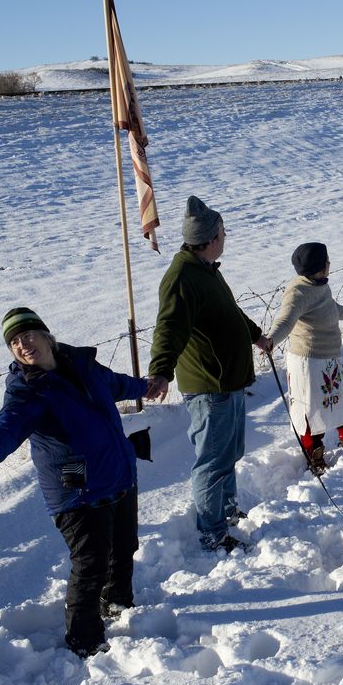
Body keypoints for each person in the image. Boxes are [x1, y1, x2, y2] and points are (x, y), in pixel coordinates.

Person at [0, 309, 152, 657]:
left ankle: (118, 603)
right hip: (76, 489)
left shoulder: (82, 365)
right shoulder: (28, 389)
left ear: (46, 336)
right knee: (90, 563)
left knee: (123, 547)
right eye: (14, 342)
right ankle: (83, 639)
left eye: (27, 335)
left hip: (117, 474)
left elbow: (115, 383)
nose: (22, 345)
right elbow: (9, 421)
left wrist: (146, 387)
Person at [148, 196, 271, 554]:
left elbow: (229, 312)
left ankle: (226, 512)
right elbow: (169, 327)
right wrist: (160, 370)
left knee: (229, 453)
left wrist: (255, 335)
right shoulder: (182, 278)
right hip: (209, 384)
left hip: (228, 381)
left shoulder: (205, 270)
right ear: (211, 238)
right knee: (213, 462)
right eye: (223, 232)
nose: (226, 236)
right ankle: (212, 533)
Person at [265, 244, 343, 469]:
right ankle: (314, 455)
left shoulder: (321, 286)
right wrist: (271, 340)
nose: (330, 263)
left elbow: (333, 309)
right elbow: (285, 320)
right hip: (309, 361)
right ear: (321, 267)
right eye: (327, 260)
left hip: (331, 357)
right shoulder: (298, 292)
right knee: (310, 409)